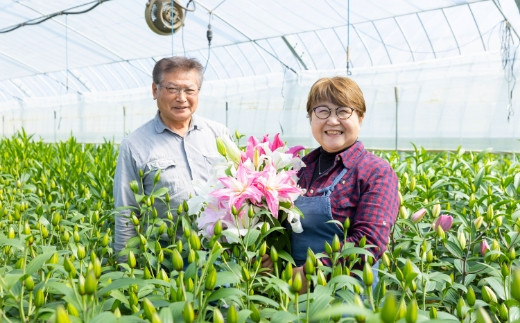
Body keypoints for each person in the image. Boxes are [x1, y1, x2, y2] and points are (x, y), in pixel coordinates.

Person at [263, 76, 399, 289]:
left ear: (361, 117)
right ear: (311, 117)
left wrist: (312, 274)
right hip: (293, 296)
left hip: (347, 296)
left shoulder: (375, 171)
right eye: (322, 111)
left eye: (343, 111)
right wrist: (270, 256)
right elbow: (281, 228)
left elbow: (369, 242)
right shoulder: (298, 169)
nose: (332, 120)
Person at [113, 56, 230, 262]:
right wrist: (127, 270)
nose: (181, 98)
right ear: (155, 90)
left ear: (198, 93)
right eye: (172, 89)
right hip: (166, 260)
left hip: (222, 256)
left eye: (189, 90)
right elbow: (126, 214)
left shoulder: (219, 134)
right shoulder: (134, 145)